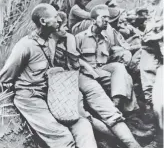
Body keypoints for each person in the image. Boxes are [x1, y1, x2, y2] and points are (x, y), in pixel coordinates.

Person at [0, 4, 96, 148]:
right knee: (63, 138)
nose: (59, 19)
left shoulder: (51, 41)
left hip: (50, 95)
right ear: (43, 22)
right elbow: (5, 77)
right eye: (55, 16)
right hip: (30, 99)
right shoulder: (25, 46)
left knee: (83, 126)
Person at [52, 11, 142, 148]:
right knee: (83, 117)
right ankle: (115, 140)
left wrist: (90, 71)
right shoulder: (42, 44)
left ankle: (132, 143)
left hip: (81, 77)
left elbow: (77, 62)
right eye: (63, 26)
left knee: (110, 111)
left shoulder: (70, 38)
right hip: (61, 86)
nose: (66, 28)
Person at [76, 5, 139, 113]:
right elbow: (74, 59)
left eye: (108, 17)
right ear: (93, 20)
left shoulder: (106, 39)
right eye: (103, 17)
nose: (107, 20)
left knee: (122, 72)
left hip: (103, 69)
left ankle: (118, 104)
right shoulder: (80, 37)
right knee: (126, 79)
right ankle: (124, 111)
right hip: (87, 72)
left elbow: (109, 57)